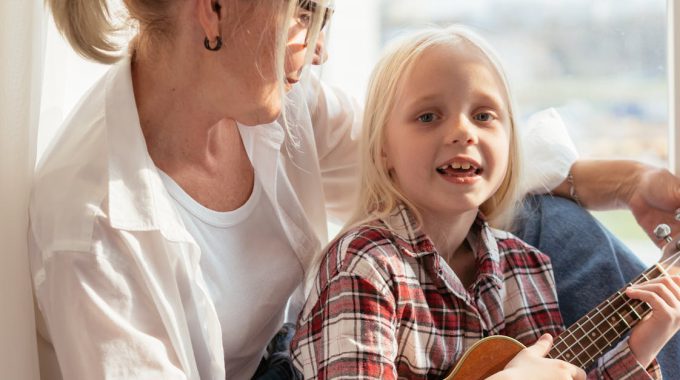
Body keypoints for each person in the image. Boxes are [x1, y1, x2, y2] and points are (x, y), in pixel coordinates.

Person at [28, 0, 680, 379]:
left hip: (322, 339)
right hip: (306, 361)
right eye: (307, 13)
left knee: (547, 227)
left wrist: (626, 182)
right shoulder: (96, 234)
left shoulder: (280, 99)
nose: (318, 53)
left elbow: (432, 165)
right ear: (215, 8)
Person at [290, 26, 680, 379]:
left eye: (483, 115)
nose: (462, 131)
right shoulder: (365, 265)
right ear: (382, 150)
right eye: (428, 117)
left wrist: (640, 347)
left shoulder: (524, 266)